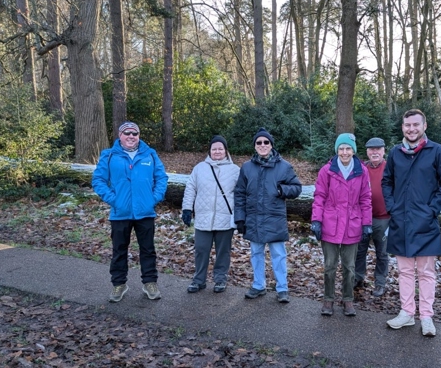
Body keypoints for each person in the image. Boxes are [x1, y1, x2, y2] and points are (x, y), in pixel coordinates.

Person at [382, 109, 441, 337]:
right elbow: (386, 181)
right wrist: (392, 207)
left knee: (426, 272)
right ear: (402, 127)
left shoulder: (436, 151)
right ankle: (406, 313)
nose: (411, 129)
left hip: (425, 222)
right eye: (407, 125)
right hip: (400, 220)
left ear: (424, 126)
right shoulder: (395, 152)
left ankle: (426, 316)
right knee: (404, 271)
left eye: (415, 125)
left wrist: (433, 209)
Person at [92, 122, 168, 303]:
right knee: (119, 250)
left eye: (135, 133)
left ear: (139, 136)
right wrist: (114, 200)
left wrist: (153, 198)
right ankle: (119, 284)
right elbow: (98, 180)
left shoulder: (150, 154)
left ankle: (149, 282)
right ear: (120, 135)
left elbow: (162, 178)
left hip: (145, 213)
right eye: (127, 133)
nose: (131, 136)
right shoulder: (109, 155)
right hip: (120, 213)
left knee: (148, 250)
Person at [234, 127, 302, 303]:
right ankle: (258, 285)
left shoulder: (284, 166)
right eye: (259, 142)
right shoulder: (247, 167)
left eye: (266, 142)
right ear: (255, 146)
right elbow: (240, 193)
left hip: (275, 217)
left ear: (271, 145)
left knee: (278, 254)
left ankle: (282, 288)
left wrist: (281, 189)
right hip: (254, 218)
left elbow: (297, 188)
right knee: (256, 253)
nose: (263, 145)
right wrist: (240, 217)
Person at [311, 133, 372, 316]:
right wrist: (316, 220)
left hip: (352, 224)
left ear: (353, 150)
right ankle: (328, 300)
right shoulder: (327, 170)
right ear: (337, 150)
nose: (344, 152)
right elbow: (319, 196)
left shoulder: (361, 170)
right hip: (331, 222)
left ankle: (348, 300)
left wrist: (366, 223)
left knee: (349, 267)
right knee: (330, 265)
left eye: (348, 148)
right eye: (341, 149)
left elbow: (365, 198)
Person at [181, 135, 240, 294]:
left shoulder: (235, 170)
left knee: (223, 251)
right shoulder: (199, 168)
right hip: (203, 218)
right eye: (214, 149)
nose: (217, 151)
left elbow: (241, 194)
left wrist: (240, 215)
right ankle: (199, 280)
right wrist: (187, 208)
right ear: (210, 151)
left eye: (220, 148)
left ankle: (220, 279)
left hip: (225, 218)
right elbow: (190, 188)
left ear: (226, 151)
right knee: (201, 250)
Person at [354, 137, 390, 297]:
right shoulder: (361, 168)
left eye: (378, 149)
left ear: (383, 151)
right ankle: (358, 278)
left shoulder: (390, 168)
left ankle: (380, 283)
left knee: (382, 253)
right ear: (367, 152)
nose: (374, 152)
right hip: (362, 218)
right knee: (359, 250)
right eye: (371, 149)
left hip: (384, 219)